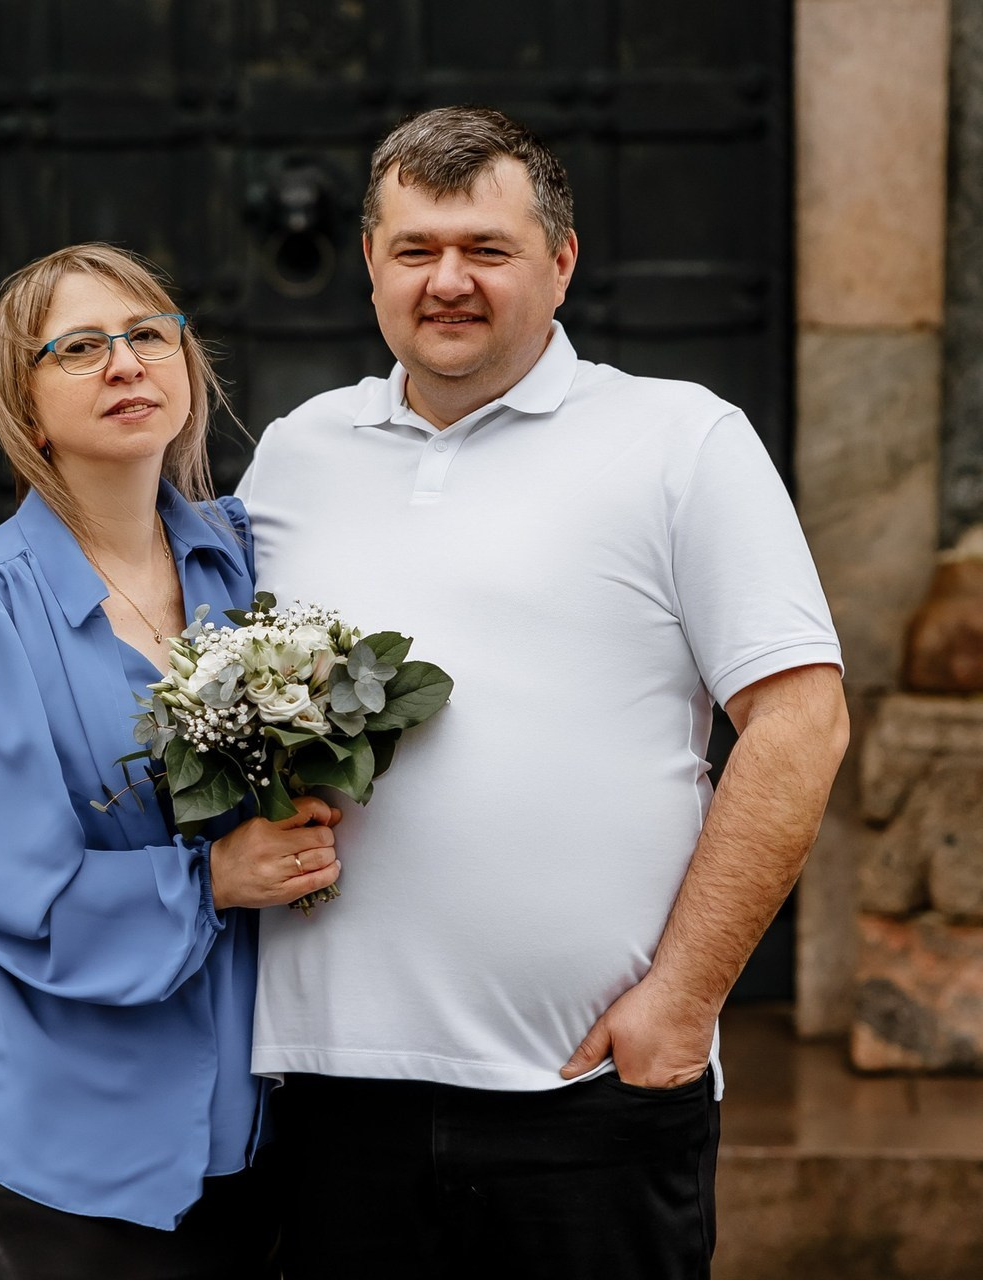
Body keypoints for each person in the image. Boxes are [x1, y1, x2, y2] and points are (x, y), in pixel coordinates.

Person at [237, 107, 849, 1279]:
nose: (447, 282)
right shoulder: (297, 450)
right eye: (415, 250)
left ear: (560, 262)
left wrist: (681, 1000)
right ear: (368, 263)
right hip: (326, 1089)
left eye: (486, 249)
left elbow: (799, 720)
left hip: (587, 1092)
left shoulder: (678, 439)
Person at [0, 242, 340, 1280]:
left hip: (263, 1131)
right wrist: (214, 877)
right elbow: (1, 881)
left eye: (148, 334)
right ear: (27, 404)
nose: (127, 363)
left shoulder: (246, 561)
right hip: (73, 1147)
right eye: (81, 347)